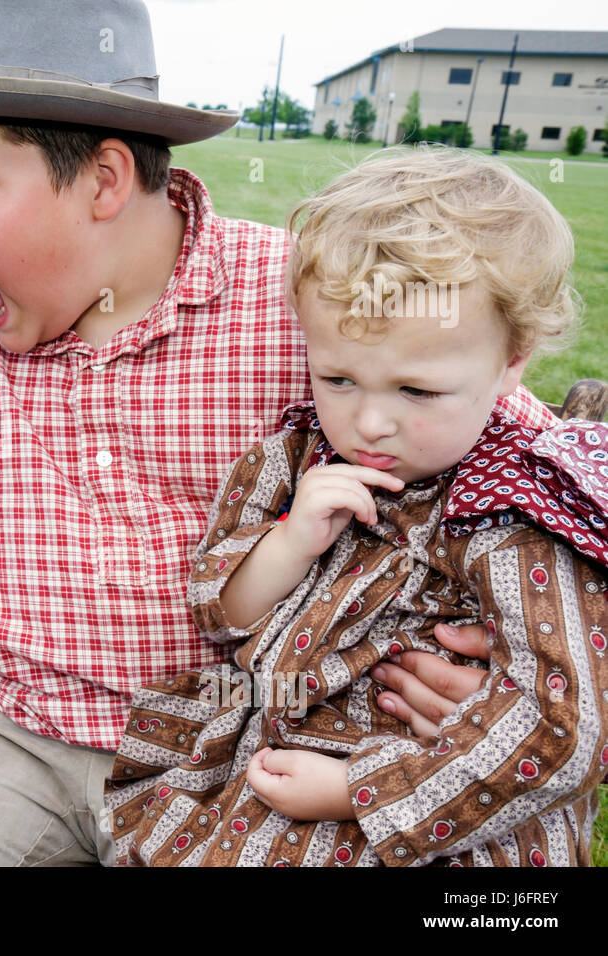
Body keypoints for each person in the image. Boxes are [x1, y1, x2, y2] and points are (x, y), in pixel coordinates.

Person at [0, 0, 557, 866]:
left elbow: (541, 476)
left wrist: (523, 668)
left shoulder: (310, 302)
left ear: (106, 179)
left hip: (270, 739)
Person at [107, 147, 608, 867]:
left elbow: (563, 725)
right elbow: (221, 612)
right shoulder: (298, 456)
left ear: (513, 359)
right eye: (338, 377)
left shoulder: (518, 512)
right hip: (279, 764)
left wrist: (357, 789)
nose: (369, 422)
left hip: (438, 805)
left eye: (415, 390)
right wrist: (290, 543)